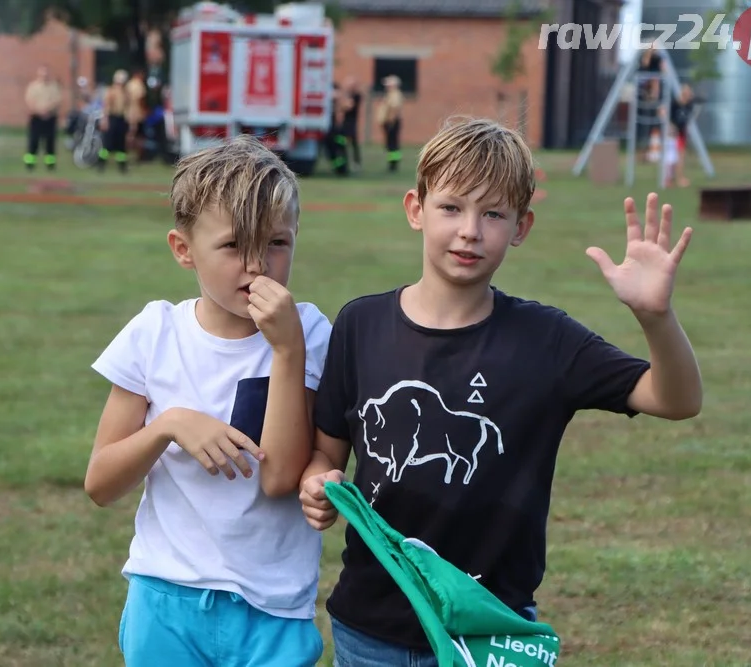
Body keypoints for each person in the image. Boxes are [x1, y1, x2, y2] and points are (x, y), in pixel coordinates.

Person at [298, 116, 703, 666]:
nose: (470, 230)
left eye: (492, 213)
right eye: (451, 208)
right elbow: (328, 449)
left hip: (491, 628)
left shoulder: (547, 339)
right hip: (372, 628)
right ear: (415, 209)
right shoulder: (359, 324)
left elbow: (676, 400)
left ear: (521, 226)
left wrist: (656, 317)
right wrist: (317, 483)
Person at [85, 134, 332, 667]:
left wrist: (287, 349)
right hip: (166, 596)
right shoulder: (153, 334)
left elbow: (280, 478)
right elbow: (101, 483)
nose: (257, 265)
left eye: (277, 243)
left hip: (273, 607)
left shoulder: (309, 331)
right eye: (233, 246)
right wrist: (167, 425)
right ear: (183, 249)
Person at [23, 66, 62, 171]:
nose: (44, 76)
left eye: (46, 74)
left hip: (50, 117)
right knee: (33, 141)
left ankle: (50, 165)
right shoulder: (33, 86)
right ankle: (30, 164)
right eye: (42, 74)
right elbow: (29, 101)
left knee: (50, 142)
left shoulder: (54, 86)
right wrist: (39, 111)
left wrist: (48, 110)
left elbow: (57, 100)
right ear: (38, 74)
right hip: (36, 117)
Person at [98, 69, 130, 174]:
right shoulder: (111, 91)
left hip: (121, 119)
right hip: (112, 118)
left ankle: (122, 167)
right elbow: (106, 106)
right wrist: (105, 120)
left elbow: (127, 106)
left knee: (121, 145)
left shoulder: (125, 92)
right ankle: (101, 165)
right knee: (107, 144)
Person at [668, 83, 695, 187]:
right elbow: (670, 118)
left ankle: (679, 177)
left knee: (681, 157)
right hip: (673, 133)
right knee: (672, 157)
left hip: (682, 133)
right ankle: (670, 178)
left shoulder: (689, 105)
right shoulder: (674, 104)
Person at [376, 75, 404, 172]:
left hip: (392, 122)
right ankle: (391, 162)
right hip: (389, 122)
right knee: (390, 143)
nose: (386, 86)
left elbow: (394, 109)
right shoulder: (390, 94)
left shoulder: (395, 94)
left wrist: (391, 122)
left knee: (392, 143)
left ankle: (393, 164)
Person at [126, 69, 147, 162]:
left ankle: (126, 153)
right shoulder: (139, 85)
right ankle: (138, 156)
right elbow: (141, 99)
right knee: (138, 135)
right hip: (137, 113)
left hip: (128, 113)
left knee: (129, 134)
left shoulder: (129, 84)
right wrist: (144, 110)